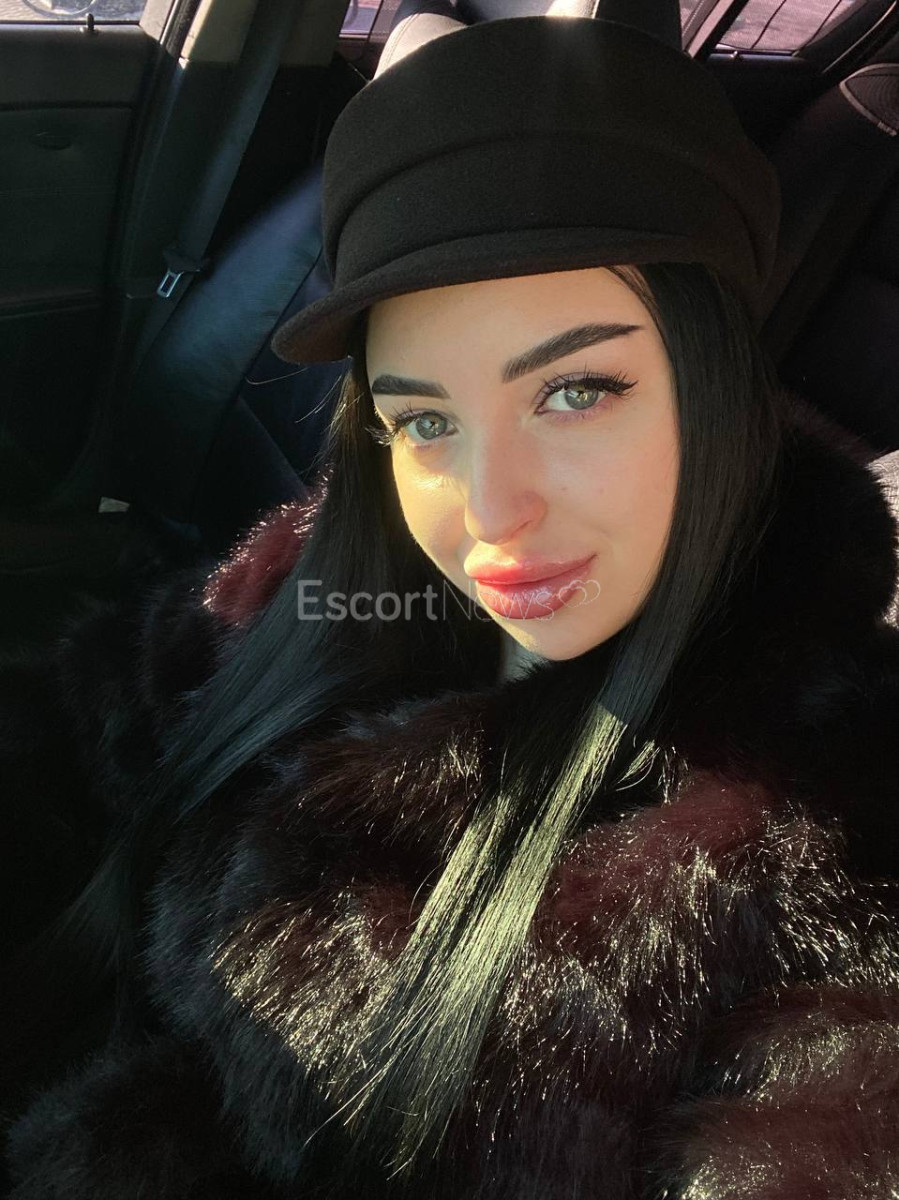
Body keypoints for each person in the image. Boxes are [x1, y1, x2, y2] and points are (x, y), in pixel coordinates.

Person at [4, 7, 899, 1198]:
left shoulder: (840, 798)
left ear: (718, 385)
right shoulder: (307, 581)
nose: (488, 509)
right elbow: (60, 739)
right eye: (425, 418)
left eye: (575, 391)